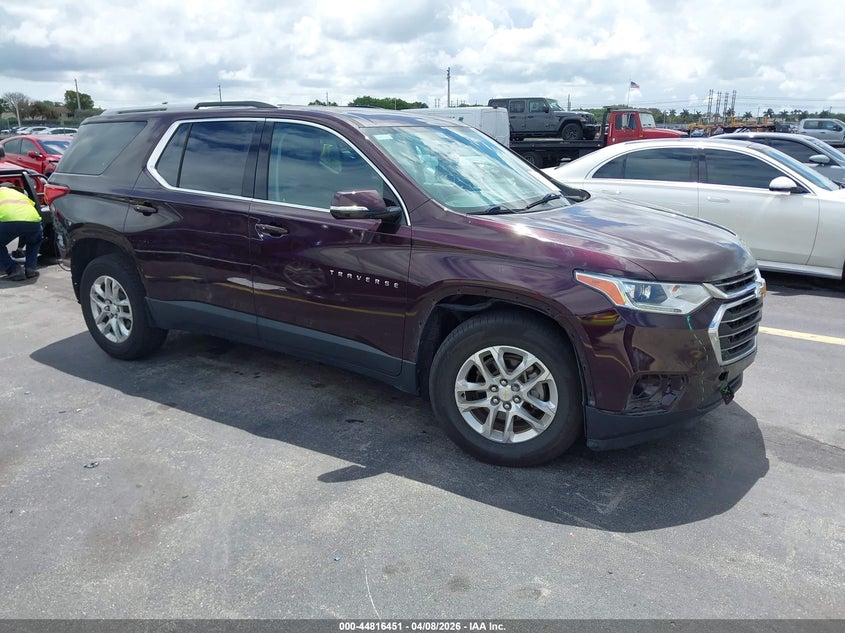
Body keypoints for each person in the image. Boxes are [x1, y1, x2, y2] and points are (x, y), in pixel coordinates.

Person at [0, 182, 43, 281]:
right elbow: (24, 219)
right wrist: (19, 248)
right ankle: (30, 268)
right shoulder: (21, 195)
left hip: (9, 222)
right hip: (34, 221)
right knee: (34, 241)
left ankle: (13, 269)